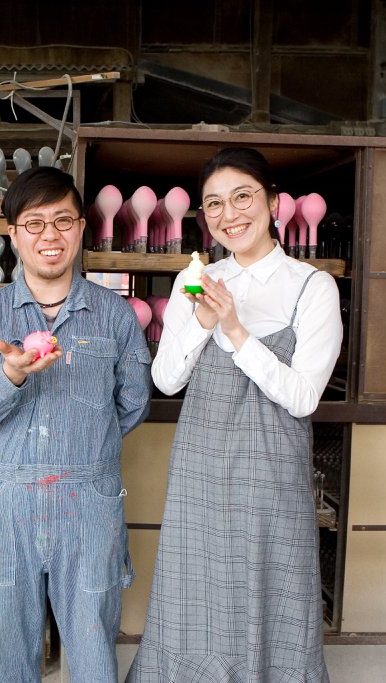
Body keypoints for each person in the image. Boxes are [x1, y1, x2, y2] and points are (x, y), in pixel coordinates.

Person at [127, 147, 341, 682]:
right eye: (215, 204)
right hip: (200, 468)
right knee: (193, 593)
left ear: (273, 202)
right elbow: (166, 380)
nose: (230, 214)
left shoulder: (311, 286)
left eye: (243, 196)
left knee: (275, 586)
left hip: (272, 473)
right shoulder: (196, 280)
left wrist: (236, 330)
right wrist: (203, 321)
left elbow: (303, 397)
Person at [0, 166, 152, 682]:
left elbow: (133, 402)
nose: (49, 235)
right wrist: (9, 376)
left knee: (93, 648)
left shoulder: (115, 315)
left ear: (81, 228)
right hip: (6, 503)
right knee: (11, 654)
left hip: (90, 503)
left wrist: (85, 447)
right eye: (34, 223)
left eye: (62, 220)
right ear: (13, 235)